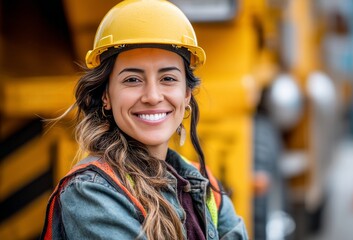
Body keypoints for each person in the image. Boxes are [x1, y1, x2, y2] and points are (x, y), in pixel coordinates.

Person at [40, 0, 248, 239]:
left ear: (187, 94)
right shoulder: (91, 191)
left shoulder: (202, 183)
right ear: (106, 95)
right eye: (132, 80)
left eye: (168, 78)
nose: (152, 96)